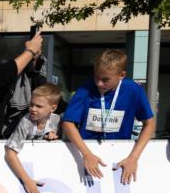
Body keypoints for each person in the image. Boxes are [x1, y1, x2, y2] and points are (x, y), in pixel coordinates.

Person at [61, 49, 156, 184]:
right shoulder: (87, 88)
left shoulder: (134, 90)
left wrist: (134, 158)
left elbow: (150, 123)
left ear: (121, 75)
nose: (99, 83)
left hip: (121, 155)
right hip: (88, 153)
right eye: (96, 77)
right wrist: (87, 154)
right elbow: (67, 123)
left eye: (105, 80)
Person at [4, 83, 63, 193]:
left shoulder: (57, 120)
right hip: (25, 171)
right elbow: (10, 152)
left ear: (53, 108)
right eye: (31, 104)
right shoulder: (26, 122)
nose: (33, 109)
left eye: (39, 106)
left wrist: (50, 137)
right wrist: (26, 181)